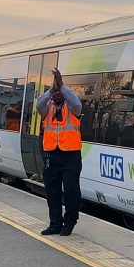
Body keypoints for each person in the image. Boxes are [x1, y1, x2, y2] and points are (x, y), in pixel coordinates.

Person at [36, 68, 82, 236]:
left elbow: (76, 102)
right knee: (52, 191)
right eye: (55, 92)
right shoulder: (46, 108)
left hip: (71, 155)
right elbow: (38, 104)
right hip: (51, 155)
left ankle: (70, 222)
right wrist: (51, 90)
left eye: (60, 92)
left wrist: (61, 85)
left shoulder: (73, 109)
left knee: (71, 191)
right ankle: (54, 223)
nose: (57, 95)